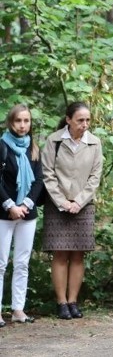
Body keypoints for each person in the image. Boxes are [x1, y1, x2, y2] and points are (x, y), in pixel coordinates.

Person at [41, 102, 103, 320]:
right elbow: (47, 174)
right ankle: (61, 303)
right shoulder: (53, 141)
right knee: (59, 253)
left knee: (78, 254)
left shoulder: (95, 143)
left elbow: (95, 177)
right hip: (57, 205)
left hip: (83, 205)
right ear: (68, 119)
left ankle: (73, 301)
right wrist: (62, 202)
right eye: (80, 120)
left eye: (87, 120)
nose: (84, 125)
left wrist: (78, 201)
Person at [0, 104, 44, 327]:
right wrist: (10, 205)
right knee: (0, 263)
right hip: (3, 212)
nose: (22, 125)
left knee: (22, 263)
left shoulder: (33, 147)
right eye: (18, 121)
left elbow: (39, 179)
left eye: (26, 121)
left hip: (27, 213)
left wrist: (25, 204)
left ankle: (18, 309)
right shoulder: (1, 145)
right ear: (11, 122)